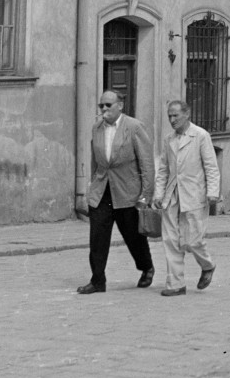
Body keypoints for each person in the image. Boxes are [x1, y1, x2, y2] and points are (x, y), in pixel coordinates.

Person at [77, 90, 155, 294]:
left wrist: (146, 195)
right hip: (102, 191)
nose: (103, 109)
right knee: (97, 237)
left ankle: (146, 267)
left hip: (127, 192)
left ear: (120, 106)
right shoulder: (97, 128)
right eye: (101, 106)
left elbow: (146, 163)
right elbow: (95, 160)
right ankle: (97, 280)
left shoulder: (134, 127)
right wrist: (91, 186)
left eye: (108, 105)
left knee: (133, 236)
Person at [153, 99, 220, 296]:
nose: (172, 120)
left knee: (193, 240)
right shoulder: (169, 140)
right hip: (172, 195)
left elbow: (211, 166)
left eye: (175, 116)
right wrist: (158, 194)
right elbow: (164, 169)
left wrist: (212, 192)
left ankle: (207, 265)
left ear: (187, 114)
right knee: (171, 240)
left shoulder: (200, 136)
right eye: (169, 116)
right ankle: (176, 284)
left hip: (194, 195)